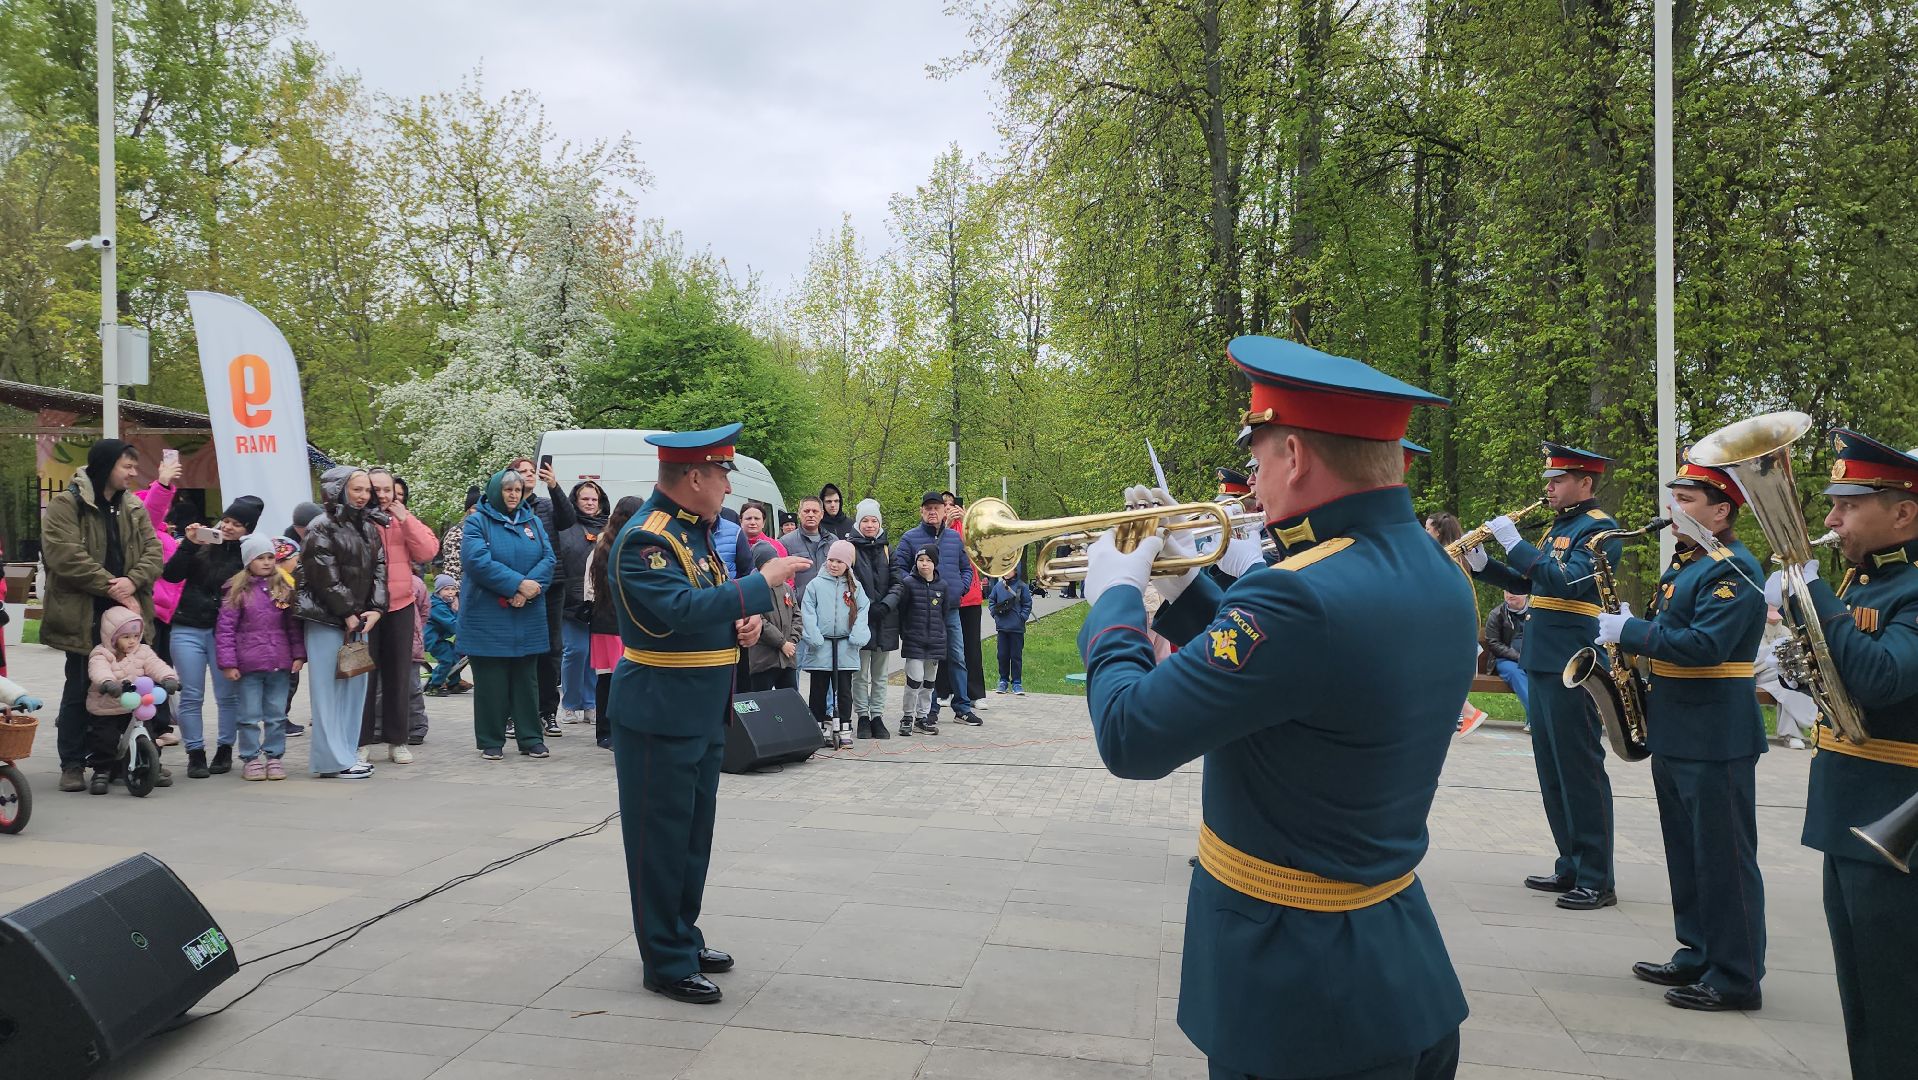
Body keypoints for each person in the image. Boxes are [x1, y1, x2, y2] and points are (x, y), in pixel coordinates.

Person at [1076, 335, 1471, 1080]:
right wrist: (1187, 588)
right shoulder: (1435, 570)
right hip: (1393, 963)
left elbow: (1130, 736)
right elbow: (1297, 673)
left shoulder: (1296, 594)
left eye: (1257, 459)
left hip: (1300, 994)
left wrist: (1116, 599)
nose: (1253, 482)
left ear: (1294, 455)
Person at [605, 423, 810, 1005]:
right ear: (694, 476)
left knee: (693, 838)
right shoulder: (646, 540)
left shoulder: (693, 533)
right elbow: (675, 608)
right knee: (659, 841)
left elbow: (702, 610)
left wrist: (738, 624)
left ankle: (682, 937)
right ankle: (664, 960)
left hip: (700, 708)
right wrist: (758, 585)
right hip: (660, 711)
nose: (726, 485)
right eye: (721, 473)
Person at [1596, 460, 1767, 1012]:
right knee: (1687, 851)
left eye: (1688, 500)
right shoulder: (1685, 566)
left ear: (1721, 512)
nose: (1675, 509)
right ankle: (1697, 949)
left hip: (1715, 730)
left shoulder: (1733, 568)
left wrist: (1633, 631)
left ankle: (1736, 974)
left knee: (1723, 857)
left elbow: (1704, 647)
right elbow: (1672, 635)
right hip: (1676, 724)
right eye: (1675, 498)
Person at [1779, 428, 1918, 1080]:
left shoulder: (1909, 589)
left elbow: (1883, 677)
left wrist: (1820, 604)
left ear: (1903, 511)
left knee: (1898, 1007)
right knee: (1863, 998)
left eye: (1847, 505)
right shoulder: (1865, 583)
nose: (1831, 520)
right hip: (1851, 811)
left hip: (1897, 821)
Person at [1468, 442, 1623, 910]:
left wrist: (1515, 544)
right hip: (1543, 656)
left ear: (1585, 483)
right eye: (1549, 481)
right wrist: (1487, 565)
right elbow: (1531, 582)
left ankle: (1598, 877)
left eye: (1558, 480)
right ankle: (1571, 864)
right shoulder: (1562, 526)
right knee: (1552, 770)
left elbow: (1566, 580)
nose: (1549, 488)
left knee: (1580, 768)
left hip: (1574, 662)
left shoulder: (1601, 530)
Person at [41, 439, 162, 794]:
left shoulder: (134, 506)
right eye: (126, 466)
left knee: (131, 684)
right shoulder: (66, 505)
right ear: (106, 466)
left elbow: (154, 552)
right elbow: (64, 555)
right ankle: (74, 763)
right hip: (83, 615)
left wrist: (132, 581)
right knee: (81, 687)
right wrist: (113, 587)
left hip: (126, 616)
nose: (133, 473)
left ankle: (126, 760)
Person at [296, 466, 387, 780]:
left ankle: (347, 754)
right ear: (339, 490)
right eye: (357, 489)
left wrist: (375, 608)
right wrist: (347, 611)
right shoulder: (322, 526)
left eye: (367, 490)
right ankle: (330, 760)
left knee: (354, 688)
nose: (363, 496)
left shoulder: (369, 527)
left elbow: (379, 569)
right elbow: (324, 574)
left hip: (358, 622)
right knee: (328, 691)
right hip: (326, 620)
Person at [162, 494, 263, 777]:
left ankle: (224, 749)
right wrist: (190, 546)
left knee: (227, 695)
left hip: (225, 632)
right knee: (191, 694)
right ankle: (195, 752)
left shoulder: (247, 555)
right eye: (227, 520)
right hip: (188, 625)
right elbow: (171, 575)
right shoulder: (200, 544)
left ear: (248, 529)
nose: (229, 527)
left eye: (238, 524)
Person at [459, 469, 556, 761]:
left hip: (526, 611)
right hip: (488, 615)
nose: (513, 495)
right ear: (495, 492)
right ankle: (491, 740)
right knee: (492, 681)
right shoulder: (478, 521)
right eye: (507, 490)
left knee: (527, 680)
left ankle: (530, 738)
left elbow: (549, 558)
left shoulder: (533, 521)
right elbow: (477, 562)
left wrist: (529, 588)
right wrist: (516, 584)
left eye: (517, 490)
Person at [358, 469, 439, 766]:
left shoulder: (403, 520)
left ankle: (398, 740)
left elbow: (428, 551)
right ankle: (361, 741)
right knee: (363, 678)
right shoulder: (358, 521)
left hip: (401, 605)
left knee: (399, 677)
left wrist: (405, 519)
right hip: (366, 608)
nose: (381, 495)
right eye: (374, 489)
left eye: (387, 489)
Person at [216, 533, 306, 782]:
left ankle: (274, 757)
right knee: (248, 715)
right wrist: (229, 663)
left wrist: (298, 654)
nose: (267, 562)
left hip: (279, 662)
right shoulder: (236, 592)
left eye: (270, 557)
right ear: (248, 561)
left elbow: (293, 627)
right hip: (248, 665)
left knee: (277, 714)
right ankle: (251, 758)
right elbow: (225, 630)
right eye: (260, 558)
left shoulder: (283, 589)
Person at [892, 492, 981, 726]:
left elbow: (966, 568)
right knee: (926, 661)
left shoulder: (954, 538)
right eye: (928, 508)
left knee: (957, 657)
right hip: (921, 611)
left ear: (944, 511)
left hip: (950, 609)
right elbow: (898, 569)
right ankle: (926, 711)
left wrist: (959, 589)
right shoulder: (910, 538)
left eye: (937, 508)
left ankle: (962, 707)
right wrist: (914, 589)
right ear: (922, 511)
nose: (933, 512)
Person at [512, 456, 577, 741]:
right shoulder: (508, 506)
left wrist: (554, 486)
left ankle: (547, 712)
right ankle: (515, 714)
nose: (528, 475)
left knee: (552, 650)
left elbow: (568, 519)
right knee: (520, 650)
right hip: (518, 587)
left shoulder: (547, 504)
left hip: (552, 585)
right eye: (521, 471)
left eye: (531, 471)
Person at [85, 606, 179, 794]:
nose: (132, 641)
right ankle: (102, 771)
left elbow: (156, 665)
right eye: (126, 637)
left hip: (135, 706)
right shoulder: (101, 654)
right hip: (108, 707)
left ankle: (151, 765)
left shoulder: (143, 651)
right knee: (105, 739)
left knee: (149, 735)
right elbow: (99, 670)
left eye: (136, 636)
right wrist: (108, 683)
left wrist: (168, 678)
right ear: (112, 636)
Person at [587, 495, 646, 751]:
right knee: (610, 678)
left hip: (620, 620)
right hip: (610, 621)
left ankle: (621, 729)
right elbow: (590, 587)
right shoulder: (604, 546)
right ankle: (606, 730)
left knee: (621, 678)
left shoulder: (636, 544)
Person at [801, 539, 870, 749]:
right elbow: (807, 611)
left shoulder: (855, 587)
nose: (833, 565)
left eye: (839, 561)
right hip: (821, 646)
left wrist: (857, 635)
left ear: (847, 564)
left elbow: (863, 611)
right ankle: (820, 727)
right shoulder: (815, 585)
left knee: (844, 689)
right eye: (830, 560)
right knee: (819, 690)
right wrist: (813, 635)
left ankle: (845, 726)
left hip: (844, 647)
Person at [877, 545, 952, 737]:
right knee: (914, 681)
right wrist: (906, 633)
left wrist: (941, 635)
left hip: (935, 642)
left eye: (928, 560)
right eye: (921, 560)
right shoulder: (908, 583)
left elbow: (944, 614)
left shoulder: (942, 586)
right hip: (914, 642)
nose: (924, 564)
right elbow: (901, 611)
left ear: (935, 563)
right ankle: (907, 717)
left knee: (929, 683)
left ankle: (922, 718)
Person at [556, 481, 609, 726]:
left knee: (593, 654)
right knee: (575, 651)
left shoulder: (608, 529)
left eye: (593, 499)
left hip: (600, 601)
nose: (589, 503)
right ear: (575, 501)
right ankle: (569, 703)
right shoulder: (566, 527)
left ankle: (590, 703)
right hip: (571, 600)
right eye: (584, 499)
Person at [848, 499, 896, 738]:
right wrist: (866, 607)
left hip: (884, 621)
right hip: (860, 621)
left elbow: (898, 582)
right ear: (858, 523)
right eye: (865, 520)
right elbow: (847, 584)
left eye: (873, 520)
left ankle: (877, 716)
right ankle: (863, 717)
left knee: (880, 675)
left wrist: (886, 605)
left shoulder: (888, 549)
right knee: (860, 674)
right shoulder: (851, 549)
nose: (869, 525)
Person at [1753, 606, 1816, 748]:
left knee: (1790, 685)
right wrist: (1773, 656)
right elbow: (1754, 660)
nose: (1774, 622)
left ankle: (1791, 735)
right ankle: (1793, 733)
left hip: (1782, 675)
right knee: (1788, 678)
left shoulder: (1786, 632)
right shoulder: (1755, 630)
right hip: (1761, 676)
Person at [747, 542, 802, 692]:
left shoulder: (787, 588)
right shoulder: (754, 588)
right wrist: (782, 642)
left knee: (790, 702)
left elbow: (796, 615)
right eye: (768, 563)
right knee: (762, 702)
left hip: (787, 658)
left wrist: (792, 640)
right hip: (764, 659)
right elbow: (759, 621)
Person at [1483, 591, 1531, 717]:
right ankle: (1537, 718)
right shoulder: (1497, 614)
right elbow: (1494, 644)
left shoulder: (1537, 613)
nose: (1510, 594)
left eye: (1515, 591)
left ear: (1526, 593)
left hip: (1532, 659)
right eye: (1507, 591)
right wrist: (1519, 657)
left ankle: (1535, 721)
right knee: (1516, 673)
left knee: (1543, 675)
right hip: (1506, 660)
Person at [988, 566, 1033, 694]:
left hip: (1017, 628)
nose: (1006, 572)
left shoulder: (1022, 587)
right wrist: (995, 615)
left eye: (1010, 569)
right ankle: (1003, 680)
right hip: (1002, 627)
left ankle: (1017, 682)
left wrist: (1022, 617)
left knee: (1016, 656)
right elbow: (991, 600)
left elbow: (1027, 604)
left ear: (1016, 571)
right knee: (1002, 655)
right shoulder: (998, 587)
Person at [424, 574, 463, 694]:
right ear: (438, 591)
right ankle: (434, 686)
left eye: (453, 589)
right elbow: (451, 624)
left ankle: (454, 683)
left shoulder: (447, 603)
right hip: (431, 639)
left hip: (439, 638)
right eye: (446, 589)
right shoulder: (436, 606)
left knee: (455, 657)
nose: (450, 592)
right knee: (446, 659)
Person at [439, 487, 480, 581]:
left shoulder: (485, 531)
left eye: (481, 508)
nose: (478, 512)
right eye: (475, 508)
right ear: (468, 510)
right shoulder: (456, 533)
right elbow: (452, 569)